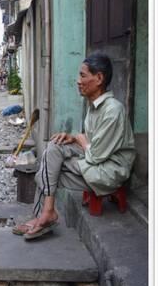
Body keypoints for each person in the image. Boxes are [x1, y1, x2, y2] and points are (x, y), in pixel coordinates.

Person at [13, 53, 136, 239]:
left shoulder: (113, 110)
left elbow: (95, 155)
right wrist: (73, 138)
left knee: (48, 168)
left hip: (109, 170)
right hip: (96, 161)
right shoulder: (94, 106)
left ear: (99, 78)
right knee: (53, 149)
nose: (78, 81)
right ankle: (44, 214)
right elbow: (95, 141)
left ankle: (44, 215)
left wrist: (79, 138)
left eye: (83, 76)